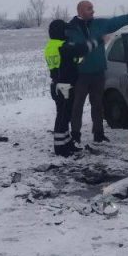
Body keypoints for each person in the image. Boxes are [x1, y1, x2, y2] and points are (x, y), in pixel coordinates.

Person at [67, 0, 128, 144]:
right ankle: (75, 135)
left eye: (92, 8)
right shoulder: (71, 29)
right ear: (80, 11)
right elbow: (68, 50)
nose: (93, 11)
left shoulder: (99, 24)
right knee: (77, 106)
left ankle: (98, 134)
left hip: (98, 73)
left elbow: (118, 21)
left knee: (97, 105)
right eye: (89, 9)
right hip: (80, 75)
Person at [44, 19, 93, 156]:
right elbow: (82, 49)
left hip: (58, 84)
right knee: (63, 117)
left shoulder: (51, 46)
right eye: (65, 30)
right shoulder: (63, 46)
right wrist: (96, 41)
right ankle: (60, 148)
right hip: (64, 86)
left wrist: (77, 61)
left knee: (64, 115)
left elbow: (68, 61)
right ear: (60, 32)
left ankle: (67, 143)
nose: (67, 33)